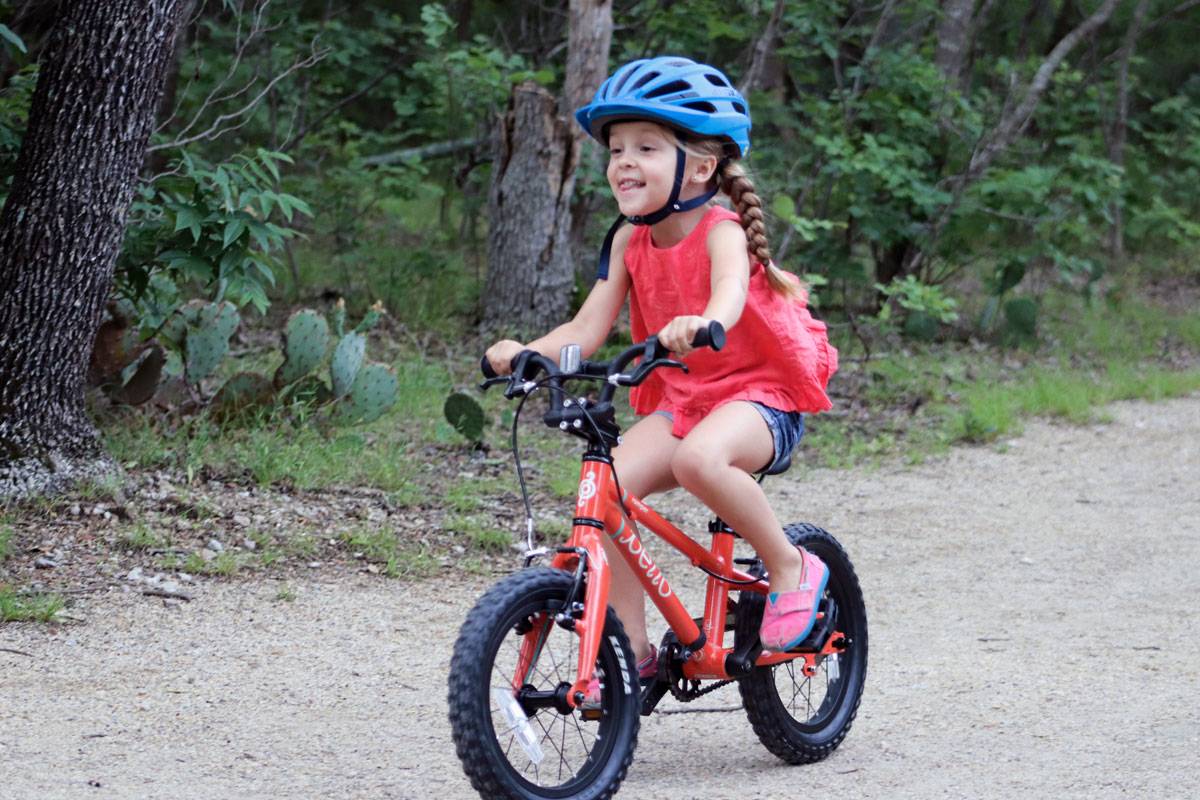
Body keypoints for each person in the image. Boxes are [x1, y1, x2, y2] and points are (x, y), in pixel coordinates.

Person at [484, 56, 839, 682]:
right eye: (616, 148)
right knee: (608, 490)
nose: (624, 161)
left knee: (698, 461)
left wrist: (704, 320)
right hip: (689, 396)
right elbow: (586, 330)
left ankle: (788, 566)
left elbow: (730, 290)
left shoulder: (720, 229)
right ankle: (633, 654)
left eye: (646, 147)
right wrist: (529, 351)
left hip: (762, 395)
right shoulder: (629, 239)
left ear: (701, 167)